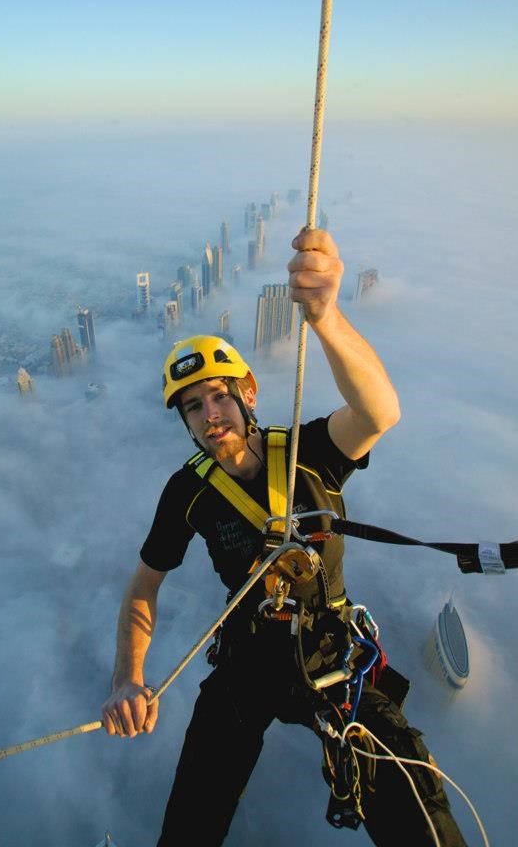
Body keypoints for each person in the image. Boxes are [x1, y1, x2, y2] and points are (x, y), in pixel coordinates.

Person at [101, 229, 466, 846]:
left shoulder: (308, 454)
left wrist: (325, 316)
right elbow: (144, 586)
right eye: (192, 407)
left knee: (421, 821)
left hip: (333, 661)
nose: (209, 414)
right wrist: (127, 677)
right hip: (245, 664)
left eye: (219, 396)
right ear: (184, 422)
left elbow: (379, 413)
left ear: (249, 395)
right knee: (189, 824)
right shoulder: (186, 492)